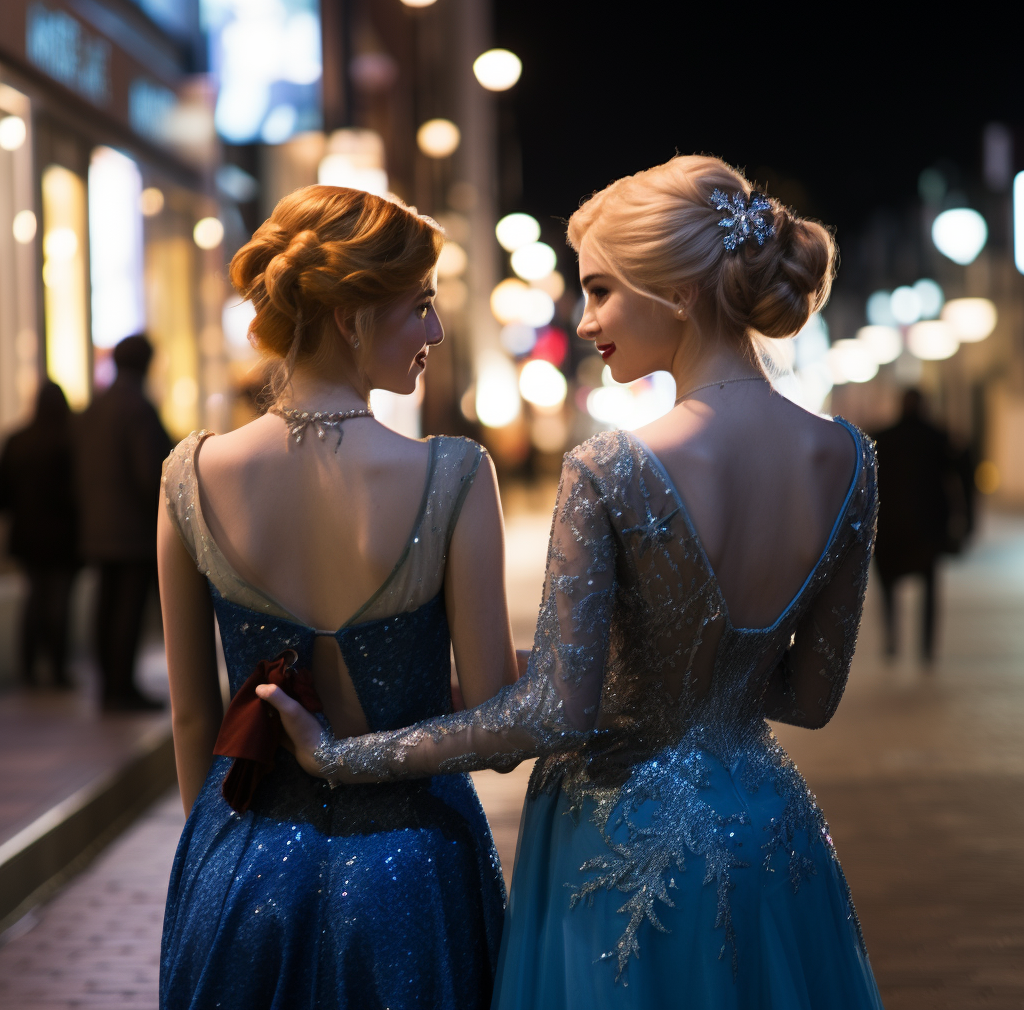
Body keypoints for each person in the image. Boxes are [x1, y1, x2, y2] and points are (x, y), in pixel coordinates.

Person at [264, 157, 885, 1010]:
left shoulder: (614, 468)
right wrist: (672, 675)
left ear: (678, 291)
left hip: (614, 833)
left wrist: (343, 756)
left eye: (600, 290)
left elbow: (556, 712)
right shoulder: (848, 461)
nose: (585, 319)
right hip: (769, 829)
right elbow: (810, 697)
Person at [157, 186, 516, 1009]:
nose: (433, 332)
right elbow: (492, 714)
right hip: (415, 866)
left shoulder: (189, 477)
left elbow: (191, 717)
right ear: (353, 316)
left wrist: (208, 850)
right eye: (419, 306)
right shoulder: (454, 475)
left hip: (239, 861)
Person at [75, 334, 172, 710]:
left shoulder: (96, 407)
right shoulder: (137, 408)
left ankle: (109, 686)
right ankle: (121, 688)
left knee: (106, 606)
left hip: (97, 525)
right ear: (146, 363)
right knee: (127, 610)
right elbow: (150, 472)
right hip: (131, 529)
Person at [873, 388, 962, 663]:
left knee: (887, 586)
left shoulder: (882, 439)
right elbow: (959, 480)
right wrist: (963, 522)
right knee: (930, 587)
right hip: (928, 528)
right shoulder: (936, 438)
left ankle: (891, 640)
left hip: (888, 528)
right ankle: (926, 648)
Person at [0, 381, 79, 688]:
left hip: (27, 536)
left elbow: (3, 494)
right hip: (61, 536)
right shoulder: (68, 440)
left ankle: (28, 670)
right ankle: (57, 670)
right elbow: (75, 493)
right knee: (58, 602)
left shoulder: (16, 440)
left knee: (33, 599)